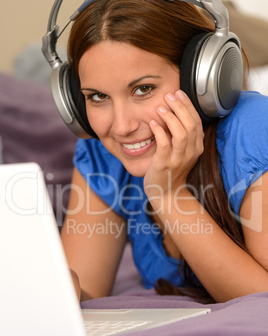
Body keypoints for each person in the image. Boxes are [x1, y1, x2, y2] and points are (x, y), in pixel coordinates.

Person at [60, 0, 268, 303]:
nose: (121, 126)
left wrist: (169, 194)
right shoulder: (103, 153)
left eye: (143, 89)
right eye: (98, 96)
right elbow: (85, 294)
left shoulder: (254, 131)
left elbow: (262, 300)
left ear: (200, 78)